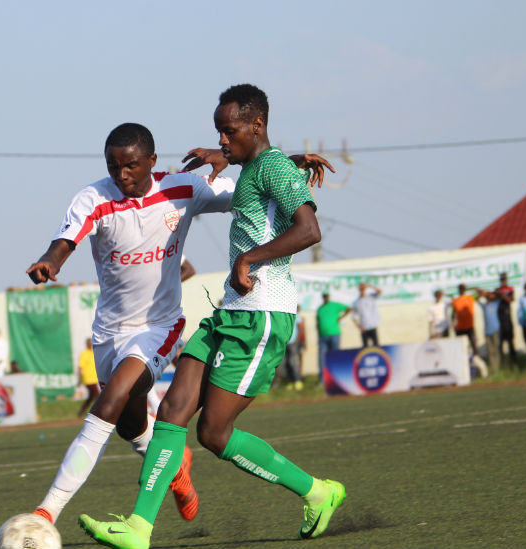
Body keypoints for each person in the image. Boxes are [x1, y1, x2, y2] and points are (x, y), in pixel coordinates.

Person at [78, 84, 343, 548]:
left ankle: (317, 492)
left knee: (214, 434)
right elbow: (262, 169)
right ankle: (139, 528)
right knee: (173, 411)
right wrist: (230, 158)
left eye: (228, 131)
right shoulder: (261, 165)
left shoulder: (273, 166)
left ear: (256, 124)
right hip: (229, 312)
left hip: (261, 315)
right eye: (218, 131)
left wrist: (248, 260)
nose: (222, 139)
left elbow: (309, 230)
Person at [24, 122, 235, 526]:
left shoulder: (183, 188)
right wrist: (51, 261)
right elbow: (67, 238)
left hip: (159, 325)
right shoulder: (94, 197)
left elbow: (247, 189)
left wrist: (281, 164)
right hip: (109, 333)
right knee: (130, 425)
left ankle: (45, 512)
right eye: (114, 166)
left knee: (110, 399)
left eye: (131, 166)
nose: (122, 175)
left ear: (152, 162)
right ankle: (175, 463)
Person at [316, 292, 350, 381]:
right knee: (321, 358)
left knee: (335, 356)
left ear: (329, 297)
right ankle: (322, 380)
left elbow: (349, 308)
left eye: (327, 296)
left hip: (334, 334)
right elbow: (318, 322)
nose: (325, 297)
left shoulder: (335, 305)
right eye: (324, 296)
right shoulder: (320, 308)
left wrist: (341, 318)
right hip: (323, 336)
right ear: (322, 297)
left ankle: (338, 378)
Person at [477, 289, 501, 374]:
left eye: (489, 296)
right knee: (490, 351)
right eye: (487, 297)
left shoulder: (495, 303)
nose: (488, 297)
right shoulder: (484, 305)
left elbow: (499, 295)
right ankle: (493, 369)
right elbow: (477, 300)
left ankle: (497, 368)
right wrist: (482, 294)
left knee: (496, 350)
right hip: (487, 331)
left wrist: (488, 293)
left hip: (495, 329)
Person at [496, 273, 517, 365]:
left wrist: (502, 294)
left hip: (507, 318)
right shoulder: (498, 289)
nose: (503, 281)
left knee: (510, 342)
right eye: (501, 279)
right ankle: (501, 364)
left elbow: (510, 300)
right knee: (500, 343)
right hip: (499, 319)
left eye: (504, 279)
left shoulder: (510, 289)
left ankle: (513, 362)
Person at [76, 338, 100, 418]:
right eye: (89, 343)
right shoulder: (84, 354)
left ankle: (81, 412)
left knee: (90, 398)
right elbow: (80, 367)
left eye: (91, 343)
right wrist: (79, 379)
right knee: (97, 396)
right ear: (86, 344)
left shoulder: (94, 352)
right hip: (88, 379)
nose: (90, 344)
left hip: (94, 379)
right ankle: (98, 414)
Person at [452, 284, 478, 357]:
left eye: (463, 288)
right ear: (458, 289)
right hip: (460, 328)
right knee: (461, 347)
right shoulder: (455, 300)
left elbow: (479, 292)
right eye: (460, 288)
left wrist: (469, 288)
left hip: (469, 327)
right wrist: (453, 325)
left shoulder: (470, 298)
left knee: (474, 346)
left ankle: (475, 362)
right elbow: (453, 314)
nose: (462, 290)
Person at [352, 283, 382, 347]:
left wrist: (369, 286)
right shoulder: (356, 302)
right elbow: (354, 317)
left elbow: (380, 291)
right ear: (359, 290)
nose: (362, 290)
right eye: (361, 289)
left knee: (376, 345)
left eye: (363, 289)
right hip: (364, 327)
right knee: (365, 347)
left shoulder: (370, 297)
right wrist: (359, 327)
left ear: (365, 289)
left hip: (372, 325)